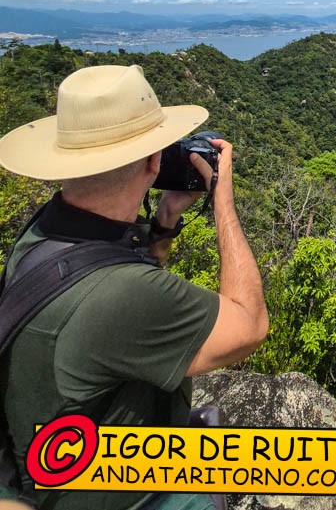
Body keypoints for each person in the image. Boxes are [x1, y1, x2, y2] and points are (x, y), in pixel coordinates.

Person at [0, 65, 269, 510]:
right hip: (127, 494)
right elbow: (250, 324)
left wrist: (164, 222)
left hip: (45, 465)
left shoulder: (40, 237)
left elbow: (123, 277)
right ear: (152, 162)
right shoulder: (123, 295)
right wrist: (223, 201)